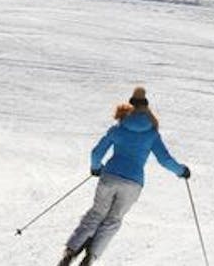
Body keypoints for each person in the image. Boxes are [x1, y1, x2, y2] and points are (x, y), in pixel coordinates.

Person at [58, 86, 190, 266]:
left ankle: (70, 252)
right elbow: (165, 160)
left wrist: (96, 168)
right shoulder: (152, 134)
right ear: (146, 108)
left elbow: (96, 153)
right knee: (113, 220)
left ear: (131, 106)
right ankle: (90, 258)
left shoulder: (118, 128)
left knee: (96, 213)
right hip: (133, 183)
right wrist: (182, 171)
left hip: (110, 176)